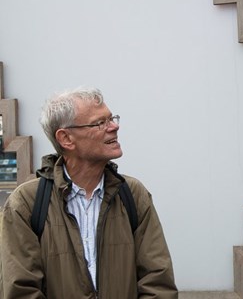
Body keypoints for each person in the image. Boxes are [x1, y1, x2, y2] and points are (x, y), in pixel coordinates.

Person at [0, 87, 178, 298]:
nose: (114, 127)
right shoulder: (26, 203)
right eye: (100, 123)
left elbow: (158, 282)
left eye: (112, 118)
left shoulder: (133, 195)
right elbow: (21, 290)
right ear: (66, 138)